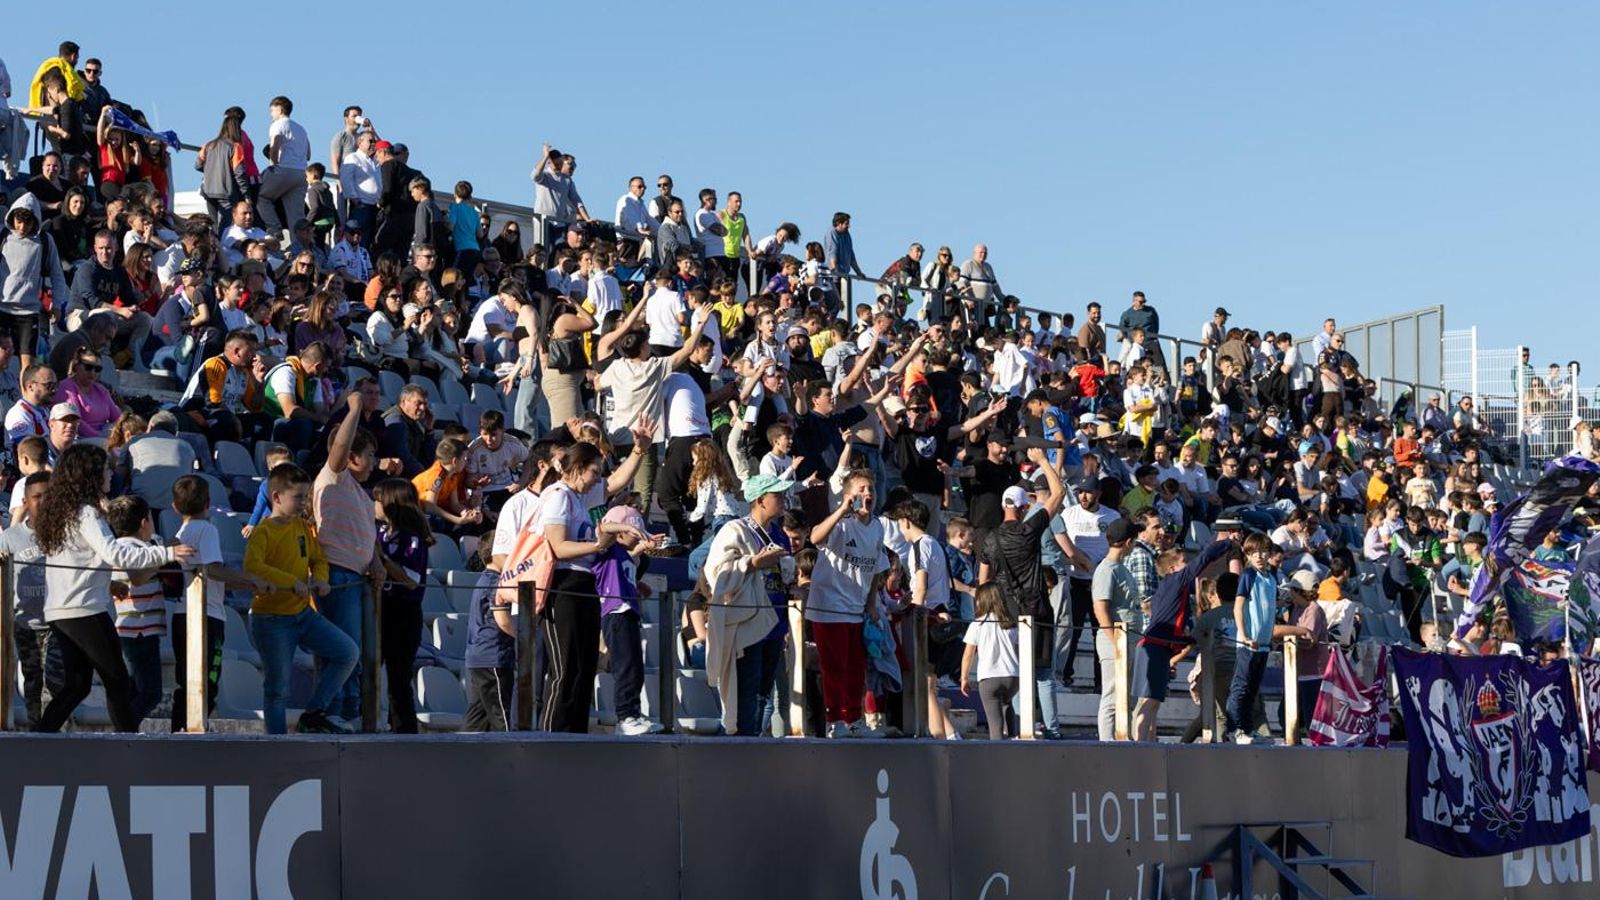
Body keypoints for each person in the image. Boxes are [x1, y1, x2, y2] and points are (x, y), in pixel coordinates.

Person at [32, 444, 194, 732]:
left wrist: (108, 582)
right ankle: (126, 745)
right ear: (91, 475)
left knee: (77, 686)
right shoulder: (86, 514)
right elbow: (117, 554)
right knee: (116, 680)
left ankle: (38, 738)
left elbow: (79, 560)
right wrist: (167, 554)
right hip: (84, 609)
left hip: (60, 610)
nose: (111, 474)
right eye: (106, 468)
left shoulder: (63, 513)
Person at [537, 441, 647, 733]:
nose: (598, 479)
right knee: (566, 666)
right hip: (564, 584)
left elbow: (616, 482)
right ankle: (552, 735)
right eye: (594, 472)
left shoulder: (579, 499)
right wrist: (597, 545)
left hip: (585, 584)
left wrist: (640, 450)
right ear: (577, 468)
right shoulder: (559, 496)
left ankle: (575, 733)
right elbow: (557, 546)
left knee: (585, 667)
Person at [246, 463, 359, 734]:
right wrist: (291, 582)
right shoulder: (263, 532)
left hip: (302, 615)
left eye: (305, 497)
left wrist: (319, 578)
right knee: (277, 690)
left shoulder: (301, 527)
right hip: (271, 620)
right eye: (298, 497)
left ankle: (314, 713)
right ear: (276, 497)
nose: (303, 503)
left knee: (347, 652)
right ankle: (277, 745)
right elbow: (253, 567)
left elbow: (318, 558)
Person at [806, 469, 892, 738]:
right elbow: (815, 538)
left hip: (856, 608)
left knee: (856, 667)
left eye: (871, 490)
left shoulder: (878, 527)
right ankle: (835, 720)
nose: (868, 494)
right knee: (835, 667)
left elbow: (877, 567)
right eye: (862, 489)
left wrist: (870, 604)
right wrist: (842, 509)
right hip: (829, 607)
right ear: (848, 496)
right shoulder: (841, 524)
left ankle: (855, 719)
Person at [313, 392, 382, 723]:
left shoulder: (361, 494)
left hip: (357, 578)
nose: (375, 463)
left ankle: (348, 713)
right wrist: (354, 409)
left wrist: (377, 562)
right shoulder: (334, 477)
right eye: (370, 455)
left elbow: (369, 536)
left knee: (356, 653)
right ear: (352, 457)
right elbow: (338, 448)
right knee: (344, 652)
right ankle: (330, 712)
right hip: (337, 577)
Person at [371, 478, 433, 734]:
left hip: (403, 613)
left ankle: (404, 730)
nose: (373, 505)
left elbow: (411, 580)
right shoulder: (380, 531)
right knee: (370, 670)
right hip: (379, 610)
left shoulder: (412, 538)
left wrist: (382, 559)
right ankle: (371, 722)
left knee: (398, 675)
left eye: (377, 499)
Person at [105, 495, 167, 728]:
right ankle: (125, 733)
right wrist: (165, 556)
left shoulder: (113, 548)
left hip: (125, 628)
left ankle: (124, 731)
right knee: (151, 693)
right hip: (140, 630)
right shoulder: (144, 550)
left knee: (133, 690)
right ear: (144, 522)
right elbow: (138, 577)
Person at [1, 473, 52, 728]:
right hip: (24, 624)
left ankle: (55, 734)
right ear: (25, 501)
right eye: (36, 497)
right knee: (32, 682)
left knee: (55, 682)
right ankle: (37, 733)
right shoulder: (11, 537)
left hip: (57, 622)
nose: (42, 502)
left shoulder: (64, 534)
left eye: (47, 497)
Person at [1, 194, 69, 373]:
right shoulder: (3, 236)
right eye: (18, 221)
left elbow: (57, 274)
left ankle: (25, 399)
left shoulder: (44, 241)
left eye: (27, 222)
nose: (22, 227)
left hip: (28, 311)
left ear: (35, 221)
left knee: (28, 365)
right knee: (1, 357)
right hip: (2, 307)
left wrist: (58, 303)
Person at [960, 582, 1020, 740]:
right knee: (1007, 704)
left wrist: (964, 678)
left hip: (989, 676)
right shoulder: (1011, 624)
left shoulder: (977, 624)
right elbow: (1020, 650)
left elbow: (968, 654)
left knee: (995, 724)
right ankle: (1014, 739)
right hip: (1012, 676)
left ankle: (998, 750)